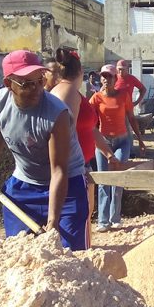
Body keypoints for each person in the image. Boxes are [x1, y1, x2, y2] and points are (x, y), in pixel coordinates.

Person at [0, 50, 88, 250]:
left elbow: (59, 169)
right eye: (27, 84)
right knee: (19, 250)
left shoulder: (55, 113)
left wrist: (53, 221)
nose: (37, 89)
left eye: (40, 81)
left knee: (71, 255)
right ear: (9, 84)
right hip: (24, 184)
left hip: (67, 186)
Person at [50, 48, 119, 243]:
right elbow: (62, 131)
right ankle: (80, 257)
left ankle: (84, 253)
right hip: (73, 168)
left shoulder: (71, 92)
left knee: (85, 214)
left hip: (79, 165)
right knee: (78, 216)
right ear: (81, 71)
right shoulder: (68, 92)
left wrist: (107, 153)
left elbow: (89, 128)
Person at [89, 64, 147, 232]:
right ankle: (103, 221)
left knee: (118, 179)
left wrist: (140, 140)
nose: (106, 79)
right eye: (103, 76)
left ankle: (115, 218)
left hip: (122, 141)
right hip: (103, 142)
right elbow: (90, 124)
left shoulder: (124, 96)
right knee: (103, 181)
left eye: (109, 76)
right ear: (100, 79)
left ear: (115, 79)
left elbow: (131, 118)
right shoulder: (96, 98)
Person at [116, 59, 147, 155]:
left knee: (129, 130)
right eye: (119, 69)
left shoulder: (131, 79)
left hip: (127, 110)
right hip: (115, 110)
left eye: (123, 69)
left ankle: (130, 151)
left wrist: (136, 102)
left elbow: (143, 89)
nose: (121, 72)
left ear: (127, 69)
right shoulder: (113, 78)